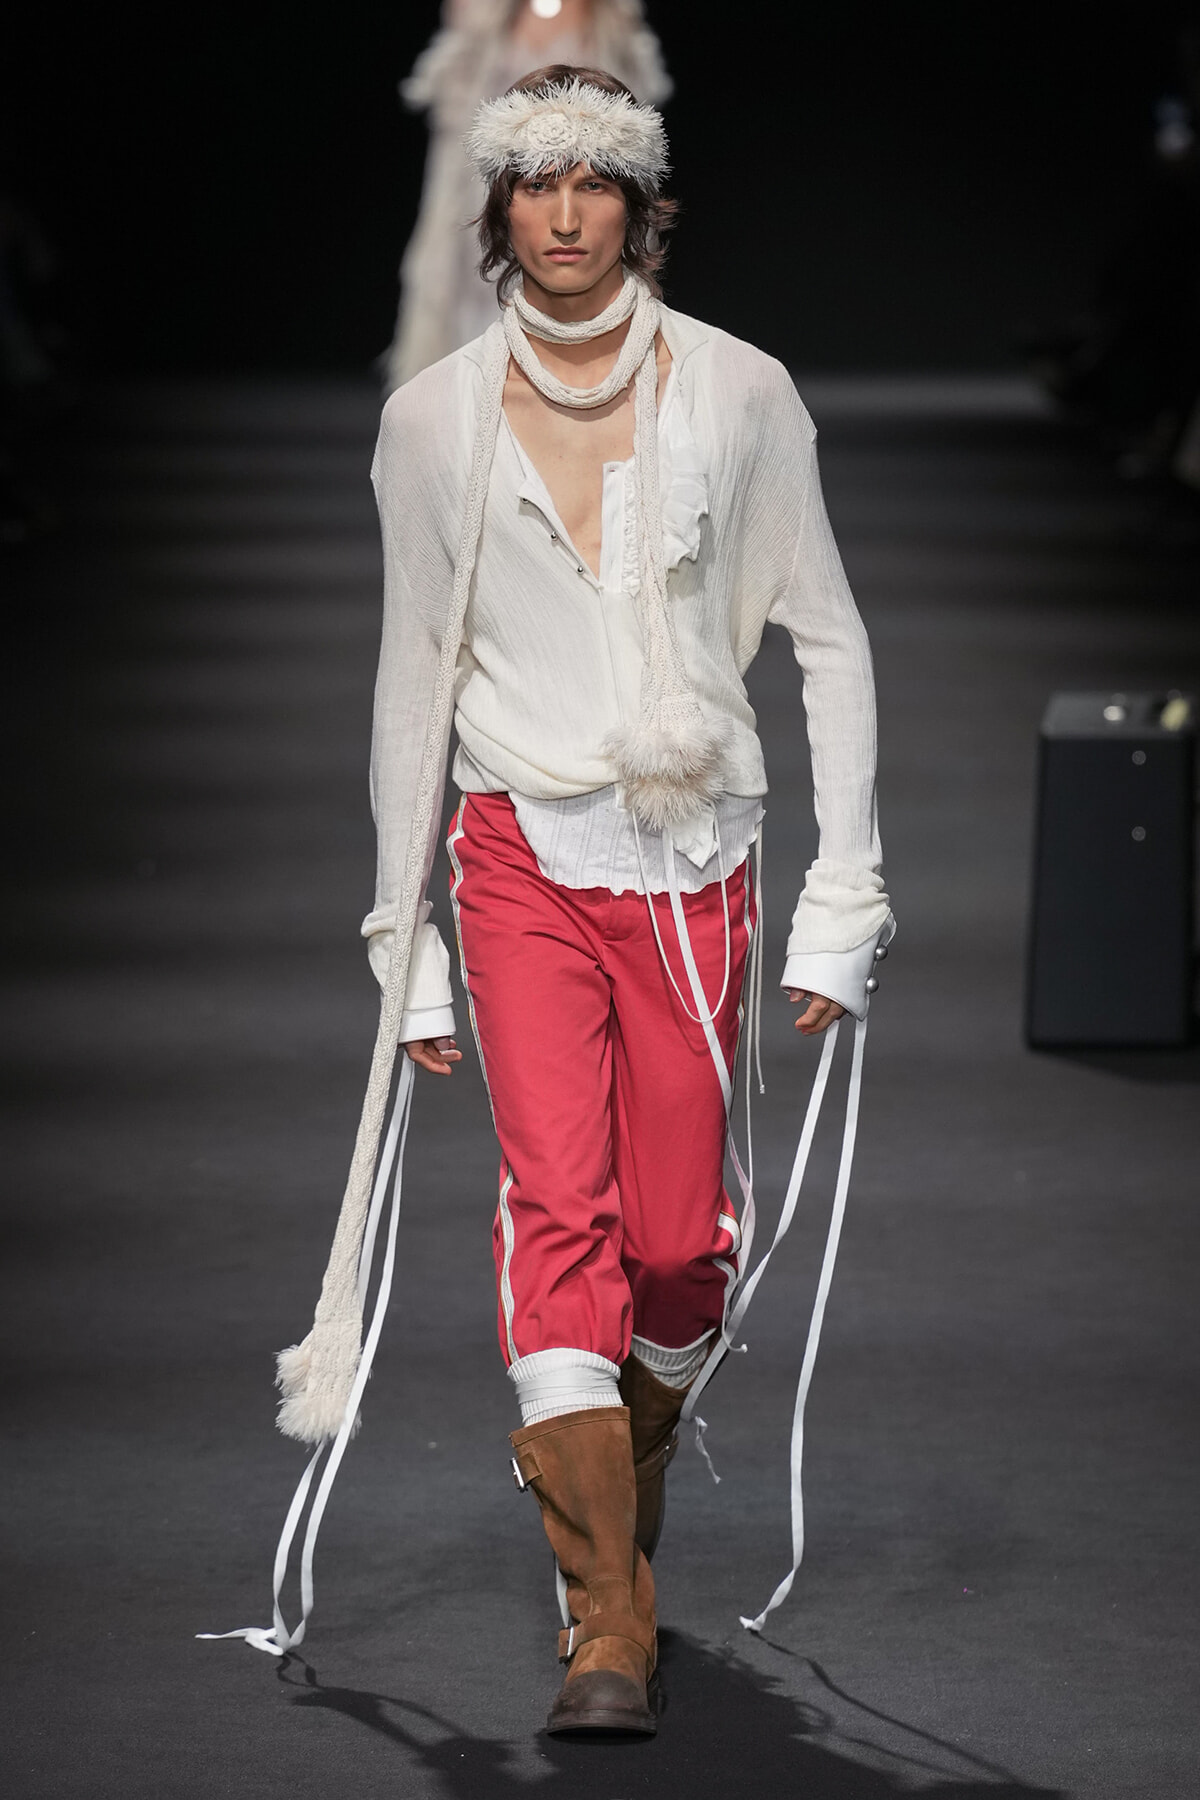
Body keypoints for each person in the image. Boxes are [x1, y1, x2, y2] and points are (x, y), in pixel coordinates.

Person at [277, 66, 894, 1737]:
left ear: (639, 204)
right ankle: (605, 1614)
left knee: (681, 1253)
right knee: (561, 1216)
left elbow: (827, 637)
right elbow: (413, 685)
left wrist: (846, 900)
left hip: (698, 860)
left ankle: (617, 1474)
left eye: (592, 184)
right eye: (533, 183)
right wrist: (401, 952)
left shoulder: (743, 394)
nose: (561, 215)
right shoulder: (436, 422)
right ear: (498, 209)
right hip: (517, 852)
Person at [383, 0, 669, 391]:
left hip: (583, 192)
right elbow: (455, 115)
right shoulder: (478, 9)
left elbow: (630, 120)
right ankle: (472, 405)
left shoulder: (607, 13)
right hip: (486, 190)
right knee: (479, 289)